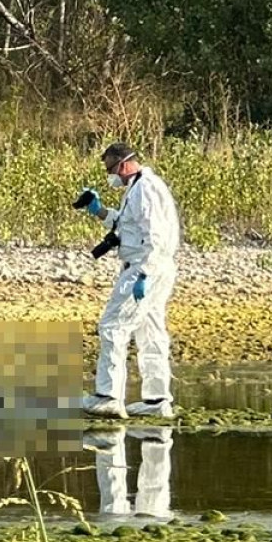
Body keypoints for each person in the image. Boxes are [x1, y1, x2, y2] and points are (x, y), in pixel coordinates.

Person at [72, 142, 181, 419]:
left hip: (145, 267)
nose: (110, 176)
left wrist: (143, 274)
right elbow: (127, 226)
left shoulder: (146, 188)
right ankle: (157, 400)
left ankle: (108, 396)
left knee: (113, 325)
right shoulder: (137, 187)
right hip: (152, 267)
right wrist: (98, 210)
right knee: (150, 331)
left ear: (124, 164)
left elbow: (155, 235)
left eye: (110, 169)